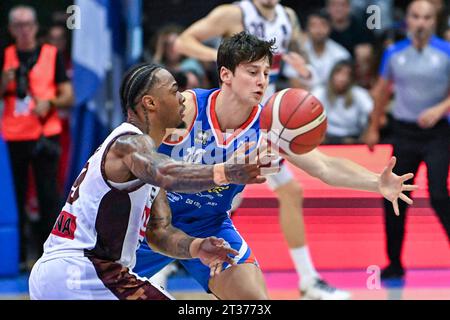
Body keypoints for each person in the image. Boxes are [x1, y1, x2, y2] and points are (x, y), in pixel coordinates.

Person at [134, 32, 418, 300]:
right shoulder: (188, 107)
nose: (262, 81)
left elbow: (325, 167)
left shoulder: (271, 126)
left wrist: (376, 183)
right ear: (226, 74)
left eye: (267, 73)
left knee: (254, 300)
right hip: (150, 221)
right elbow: (135, 149)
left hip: (209, 226)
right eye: (253, 72)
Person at [28, 63, 268, 300]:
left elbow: (158, 233)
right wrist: (227, 172)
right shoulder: (130, 143)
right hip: (84, 272)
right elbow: (167, 174)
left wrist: (197, 248)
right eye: (174, 91)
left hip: (60, 274)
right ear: (150, 103)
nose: (183, 99)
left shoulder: (146, 160)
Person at [172, 0, 351, 300]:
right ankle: (169, 255)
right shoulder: (233, 14)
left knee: (285, 191)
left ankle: (308, 279)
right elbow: (183, 42)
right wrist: (224, 60)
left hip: (263, 122)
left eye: (262, 70)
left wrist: (297, 68)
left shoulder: (288, 17)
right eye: (252, 68)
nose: (260, 74)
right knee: (204, 189)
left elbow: (291, 63)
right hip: (221, 113)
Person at [365, 0, 450, 280]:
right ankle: (395, 262)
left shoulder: (446, 51)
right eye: (416, 17)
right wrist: (374, 127)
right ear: (408, 20)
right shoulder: (394, 52)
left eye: (427, 17)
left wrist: (440, 108)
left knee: (438, 194)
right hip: (404, 132)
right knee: (395, 196)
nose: (421, 22)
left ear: (434, 21)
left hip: (438, 133)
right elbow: (381, 91)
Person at [0, 5, 74, 271]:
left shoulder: (51, 54)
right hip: (14, 135)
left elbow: (68, 95)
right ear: (10, 29)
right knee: (14, 198)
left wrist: (50, 102)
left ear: (35, 26)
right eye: (18, 25)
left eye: (28, 24)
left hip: (46, 134)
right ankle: (17, 256)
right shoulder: (5, 56)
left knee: (48, 197)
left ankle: (50, 256)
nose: (24, 30)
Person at [312, 60, 373, 144]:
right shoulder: (320, 92)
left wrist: (368, 132)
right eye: (339, 73)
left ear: (351, 78)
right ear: (332, 75)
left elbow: (372, 114)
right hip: (325, 138)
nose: (342, 78)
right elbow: (308, 114)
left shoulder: (359, 93)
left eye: (347, 74)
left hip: (353, 138)